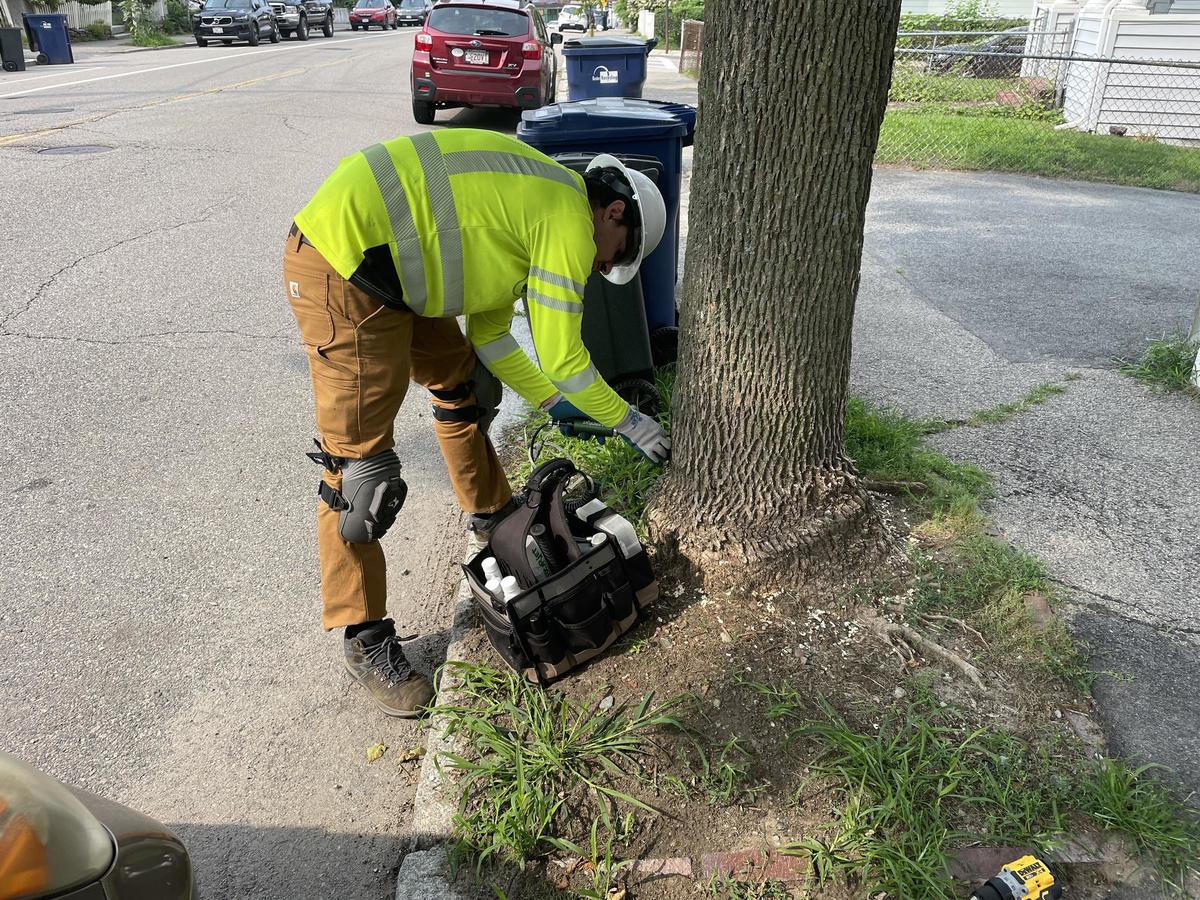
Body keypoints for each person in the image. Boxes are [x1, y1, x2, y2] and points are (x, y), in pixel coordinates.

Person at [284, 129, 671, 718]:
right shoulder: (568, 220)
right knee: (360, 474)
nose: (603, 266)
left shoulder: (537, 208)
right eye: (615, 254)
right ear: (613, 212)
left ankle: (493, 516)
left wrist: (549, 403)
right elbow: (567, 358)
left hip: (393, 271)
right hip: (343, 265)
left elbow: (490, 335)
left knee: (465, 384)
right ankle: (364, 638)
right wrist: (631, 423)